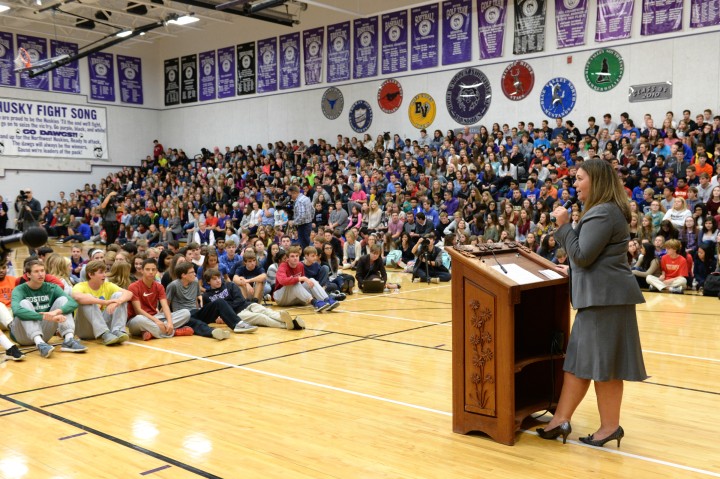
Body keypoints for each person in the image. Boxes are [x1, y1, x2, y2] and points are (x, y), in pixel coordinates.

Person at [539, 159, 647, 447]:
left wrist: (563, 227)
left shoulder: (602, 212)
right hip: (603, 298)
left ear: (596, 181)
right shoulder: (606, 210)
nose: (575, 184)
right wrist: (571, 268)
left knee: (597, 364)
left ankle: (597, 425)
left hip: (605, 299)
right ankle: (564, 420)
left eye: (579, 178)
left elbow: (583, 255)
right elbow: (589, 259)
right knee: (584, 362)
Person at [10, 259, 87, 358]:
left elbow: (73, 303)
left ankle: (68, 340)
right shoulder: (19, 289)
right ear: (28, 274)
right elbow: (16, 310)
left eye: (42, 270)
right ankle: (39, 344)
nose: (40, 274)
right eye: (36, 271)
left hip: (44, 334)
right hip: (22, 335)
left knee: (63, 300)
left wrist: (57, 311)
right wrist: (45, 317)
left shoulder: (52, 287)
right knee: (24, 303)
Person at [166, 262, 257, 338]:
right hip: (182, 316)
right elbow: (166, 304)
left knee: (219, 302)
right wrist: (168, 321)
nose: (195, 274)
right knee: (196, 323)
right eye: (192, 272)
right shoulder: (173, 285)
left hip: (195, 312)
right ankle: (213, 332)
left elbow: (195, 300)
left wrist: (200, 310)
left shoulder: (195, 282)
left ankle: (238, 324)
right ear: (183, 275)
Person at [202, 268, 304, 330]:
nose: (218, 280)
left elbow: (240, 299)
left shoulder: (230, 285)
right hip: (237, 314)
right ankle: (287, 325)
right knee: (261, 317)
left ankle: (288, 320)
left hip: (247, 305)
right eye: (214, 279)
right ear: (208, 282)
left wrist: (226, 309)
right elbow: (211, 313)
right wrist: (222, 315)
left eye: (219, 278)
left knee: (266, 311)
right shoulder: (206, 296)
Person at [126, 258, 194, 340]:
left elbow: (165, 306)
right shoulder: (133, 286)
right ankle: (174, 332)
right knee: (139, 319)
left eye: (153, 269)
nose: (151, 272)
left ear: (156, 271)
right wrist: (157, 321)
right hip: (137, 321)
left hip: (155, 316)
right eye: (147, 269)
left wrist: (169, 322)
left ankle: (151, 332)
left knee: (186, 313)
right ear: (142, 271)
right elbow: (138, 311)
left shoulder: (159, 286)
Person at [71, 260, 132, 345]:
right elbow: (77, 297)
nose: (104, 275)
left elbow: (129, 293)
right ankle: (104, 333)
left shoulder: (108, 285)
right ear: (90, 274)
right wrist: (105, 302)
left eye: (105, 272)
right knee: (88, 299)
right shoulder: (80, 286)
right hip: (85, 329)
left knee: (119, 295)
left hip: (103, 324)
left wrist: (118, 301)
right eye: (101, 272)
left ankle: (117, 330)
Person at [273, 245, 338, 312]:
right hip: (281, 298)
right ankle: (315, 302)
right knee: (295, 283)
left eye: (297, 256)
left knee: (311, 280)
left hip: (294, 298)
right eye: (292, 256)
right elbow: (282, 281)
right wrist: (300, 278)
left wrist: (312, 284)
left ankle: (326, 299)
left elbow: (303, 283)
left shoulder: (300, 265)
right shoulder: (283, 266)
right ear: (287, 258)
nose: (295, 258)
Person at [288, 185, 313, 249]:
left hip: (303, 226)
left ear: (294, 192)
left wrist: (293, 222)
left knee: (304, 245)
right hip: (308, 224)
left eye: (291, 195)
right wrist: (310, 219)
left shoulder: (299, 201)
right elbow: (313, 210)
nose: (291, 197)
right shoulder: (306, 198)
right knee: (307, 243)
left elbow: (302, 216)